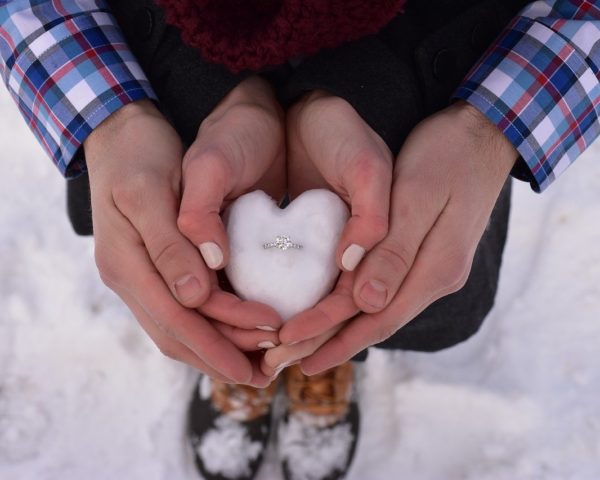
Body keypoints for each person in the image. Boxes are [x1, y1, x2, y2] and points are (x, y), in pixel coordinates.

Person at [1, 0, 599, 479]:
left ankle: (319, 361)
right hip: (167, 70)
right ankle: (243, 356)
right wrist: (115, 118)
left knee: (383, 274)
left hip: (426, 78)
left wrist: (487, 128)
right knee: (188, 254)